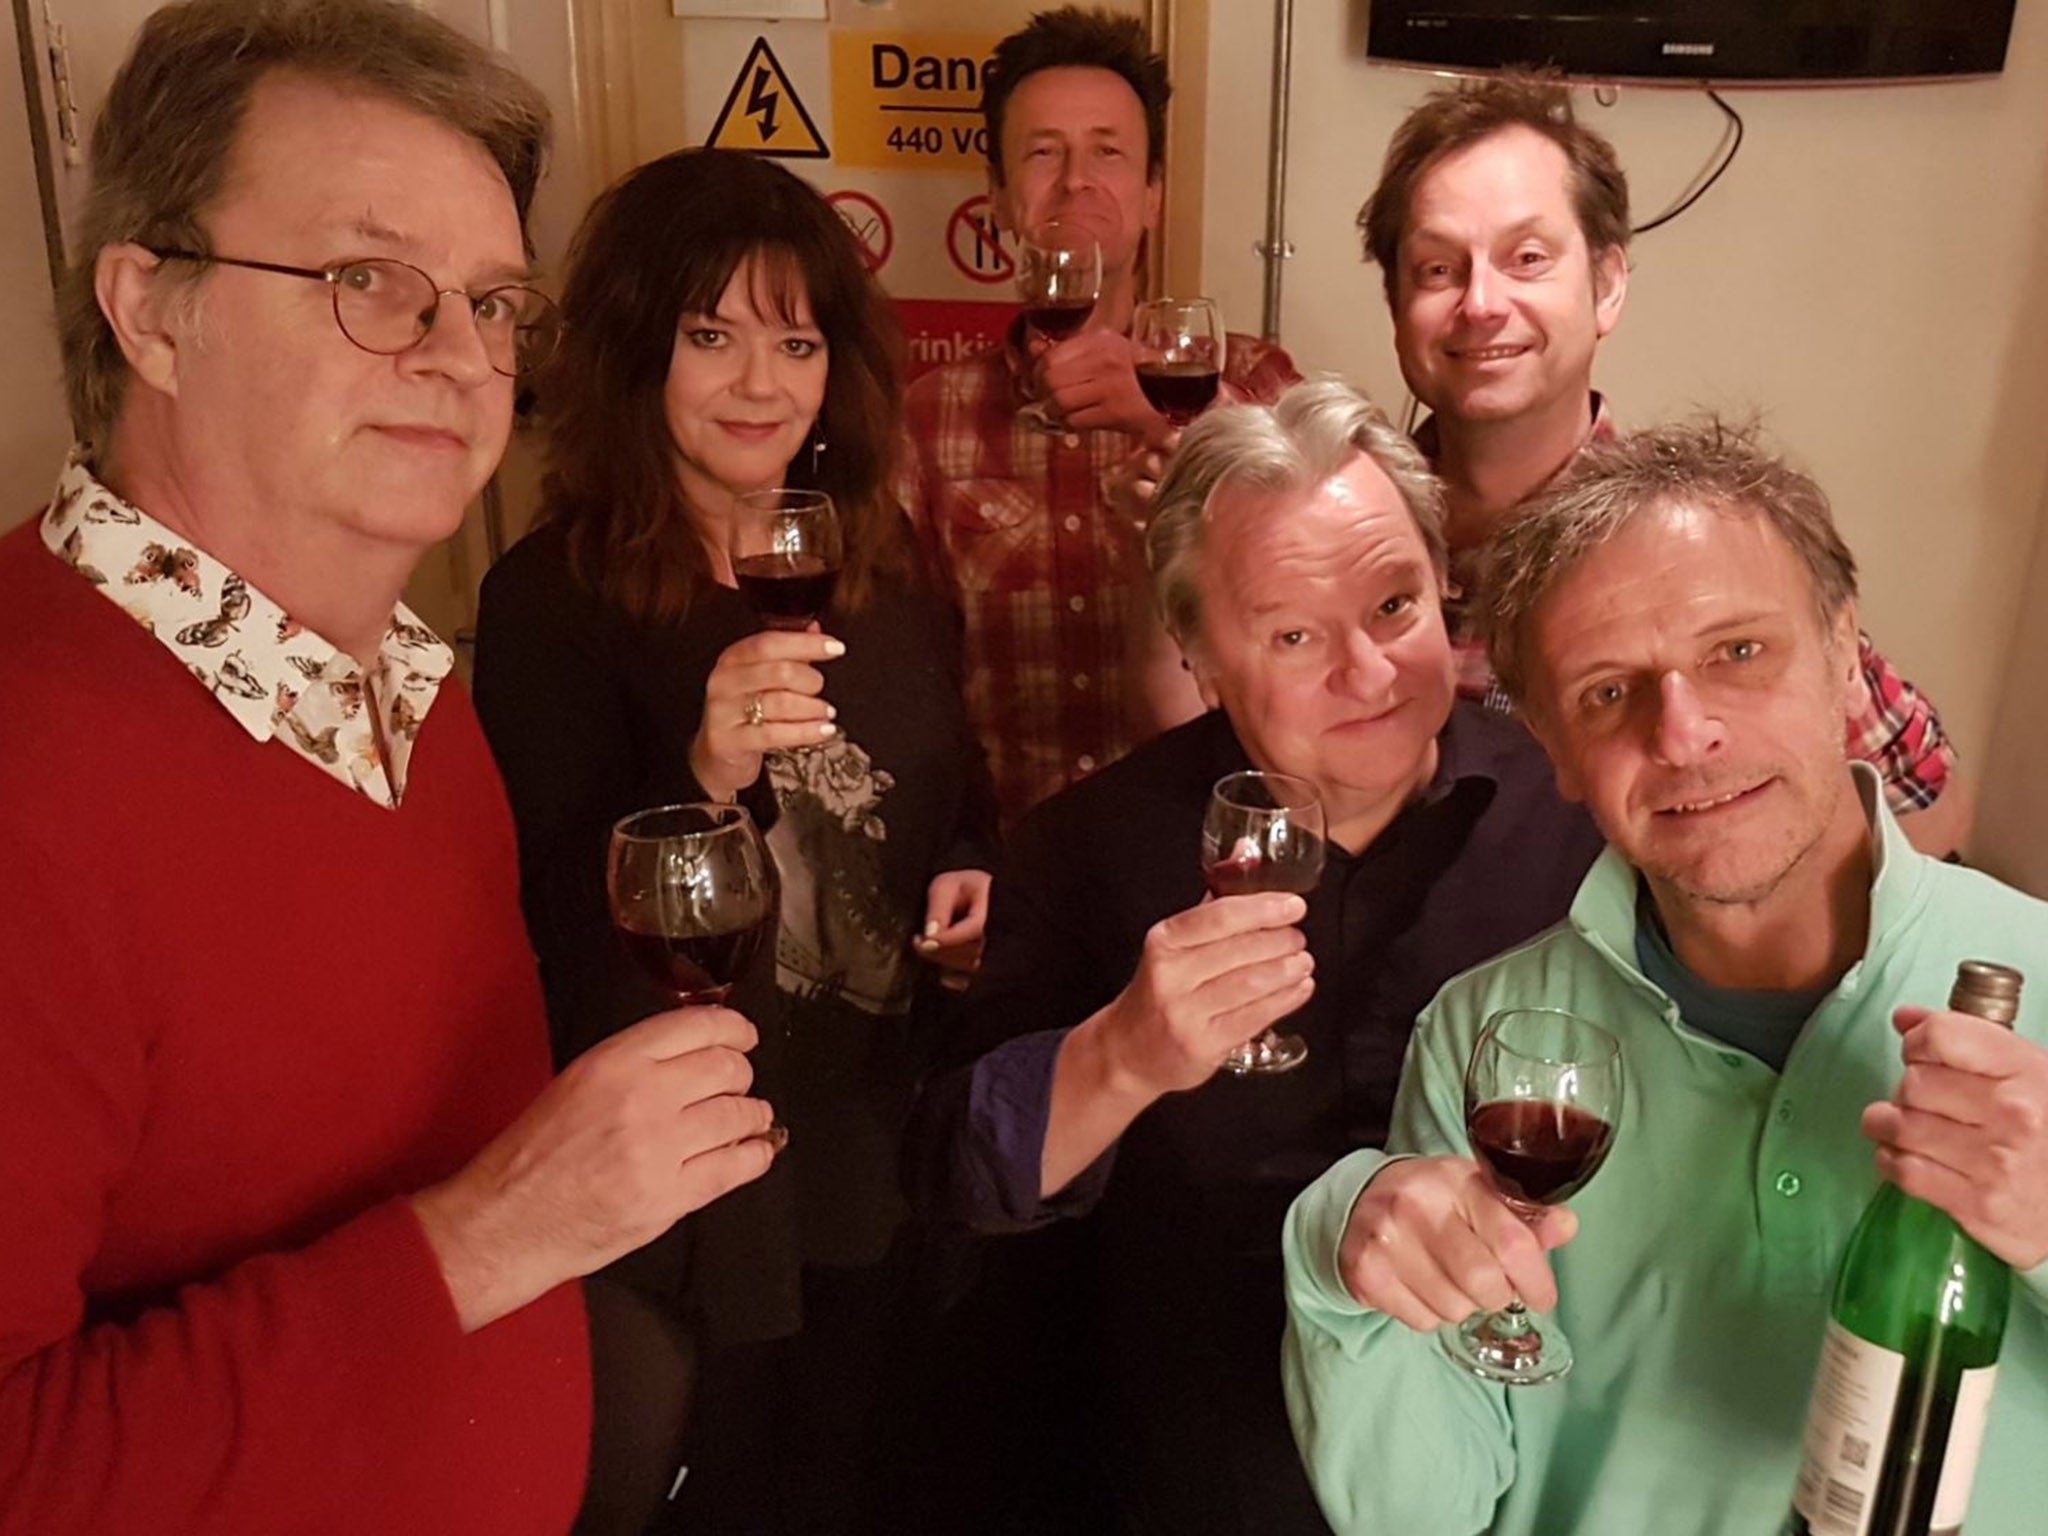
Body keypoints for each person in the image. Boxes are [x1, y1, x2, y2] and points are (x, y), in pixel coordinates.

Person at [0, 4, 782, 1535]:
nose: (457, 358)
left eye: (493, 304)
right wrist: (498, 1235)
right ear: (151, 309)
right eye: (369, 281)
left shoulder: (413, 695)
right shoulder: (27, 759)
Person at [1281, 419, 2048, 1536]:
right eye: (1605, 694)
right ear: (1549, 745)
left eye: (1738, 652)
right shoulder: (1483, 1038)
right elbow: (1415, 1514)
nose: (1682, 733)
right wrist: (1334, 1254)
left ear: (1844, 654)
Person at [907, 379, 1604, 1534]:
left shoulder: (1572, 820)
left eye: (1392, 605)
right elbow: (947, 1175)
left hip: (1511, 1468)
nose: (1369, 674)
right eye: (1291, 635)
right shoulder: (1093, 847)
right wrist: (1119, 1054)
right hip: (1196, 1473)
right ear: (1197, 653)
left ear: (1442, 587)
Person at [472, 146, 997, 1535]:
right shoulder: (551, 601)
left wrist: (972, 876)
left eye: (797, 340)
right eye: (712, 336)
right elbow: (544, 941)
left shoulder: (884, 558)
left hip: (879, 1121)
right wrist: (703, 777)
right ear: (640, 350)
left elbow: (958, 797)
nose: (761, 384)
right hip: (702, 1171)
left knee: (878, 1467)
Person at [1360, 72, 1971, 855]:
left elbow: (1929, 807)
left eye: (1528, 257)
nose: (1480, 303)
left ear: (1607, 286)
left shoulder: (1700, 544)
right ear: (1396, 306)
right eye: (1438, 270)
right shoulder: (1350, 535)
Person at [893, 5, 1301, 827]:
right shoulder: (929, 419)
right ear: (1000, 199)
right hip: (1007, 867)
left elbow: (1320, 592)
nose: (1076, 180)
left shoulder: (1256, 384)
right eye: (1043, 153)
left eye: (1107, 153)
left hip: (1210, 856)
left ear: (1152, 194)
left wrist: (1171, 422)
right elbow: (903, 689)